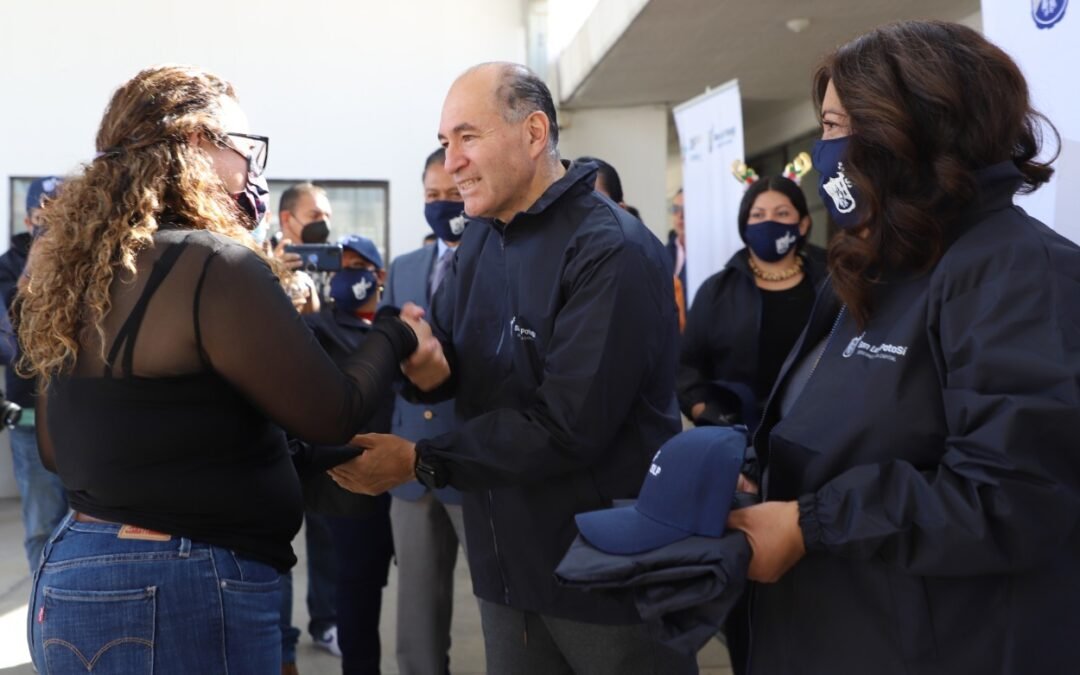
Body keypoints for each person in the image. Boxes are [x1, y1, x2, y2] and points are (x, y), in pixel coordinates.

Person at [19, 65, 430, 674]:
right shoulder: (215, 267)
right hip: (182, 586)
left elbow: (60, 448)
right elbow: (331, 412)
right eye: (244, 149)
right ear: (193, 146)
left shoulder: (75, 272)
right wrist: (397, 331)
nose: (253, 171)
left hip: (72, 575)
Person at [724, 21, 1080, 674]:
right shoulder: (873, 267)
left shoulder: (1016, 270)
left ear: (905, 128)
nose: (824, 156)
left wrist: (812, 523)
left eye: (835, 129)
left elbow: (1011, 495)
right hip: (826, 629)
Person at [332, 62, 693, 674]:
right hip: (505, 566)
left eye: (467, 138)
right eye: (447, 143)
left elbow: (566, 424)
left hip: (606, 574)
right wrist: (425, 362)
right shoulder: (480, 238)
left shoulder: (611, 249)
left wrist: (420, 459)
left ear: (532, 133)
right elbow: (457, 367)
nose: (452, 163)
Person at [381, 148, 469, 675]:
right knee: (416, 606)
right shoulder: (405, 267)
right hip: (411, 457)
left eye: (453, 195)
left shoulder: (500, 257)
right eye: (433, 196)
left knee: (500, 601)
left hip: (478, 456)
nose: (442, 205)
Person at [300, 234, 396, 675]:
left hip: (409, 476)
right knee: (356, 589)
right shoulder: (319, 325)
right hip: (350, 484)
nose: (346, 276)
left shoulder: (395, 322)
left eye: (358, 266)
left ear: (379, 274)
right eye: (339, 267)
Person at [678, 175, 826, 430]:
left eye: (781, 213)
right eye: (758, 215)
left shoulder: (830, 285)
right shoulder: (716, 290)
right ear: (745, 225)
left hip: (815, 432)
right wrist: (706, 412)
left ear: (802, 225)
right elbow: (686, 367)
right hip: (735, 436)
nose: (769, 222)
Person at [0, 176, 68, 572]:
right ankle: (45, 617)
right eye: (45, 219)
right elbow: (8, 346)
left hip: (83, 415)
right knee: (43, 526)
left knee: (86, 524)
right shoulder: (8, 271)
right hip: (29, 419)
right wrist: (35, 271)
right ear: (28, 221)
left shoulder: (85, 266)